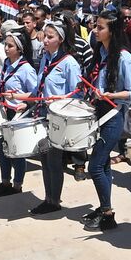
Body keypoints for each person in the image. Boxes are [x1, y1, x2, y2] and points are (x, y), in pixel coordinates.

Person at [82, 9, 131, 230]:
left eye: (100, 27)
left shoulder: (124, 58)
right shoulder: (102, 53)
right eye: (95, 26)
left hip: (113, 116)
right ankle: (104, 206)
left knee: (95, 166)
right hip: (99, 112)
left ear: (112, 31)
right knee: (103, 163)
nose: (95, 30)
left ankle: (108, 214)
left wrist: (111, 95)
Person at [30, 21, 83, 215]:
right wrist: (24, 100)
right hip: (43, 114)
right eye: (45, 36)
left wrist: (60, 99)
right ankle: (48, 197)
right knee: (44, 158)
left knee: (53, 160)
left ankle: (53, 201)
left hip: (59, 117)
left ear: (60, 39)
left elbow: (78, 93)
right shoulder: (45, 58)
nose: (45, 40)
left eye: (50, 37)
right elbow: (39, 87)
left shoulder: (69, 63)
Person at [0, 29, 37, 199]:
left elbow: (35, 93)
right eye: (5, 45)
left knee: (16, 151)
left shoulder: (26, 69)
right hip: (4, 111)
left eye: (10, 46)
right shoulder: (7, 64)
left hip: (18, 114)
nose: (6, 48)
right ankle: (5, 182)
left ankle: (17, 185)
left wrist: (25, 102)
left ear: (20, 48)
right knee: (3, 149)